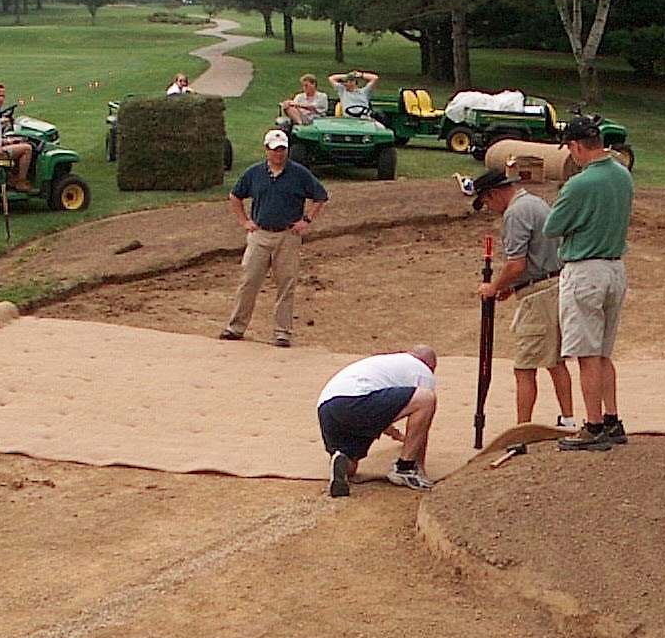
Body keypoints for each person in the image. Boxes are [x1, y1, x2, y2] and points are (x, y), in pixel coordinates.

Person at [542, 116, 634, 451]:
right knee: (603, 352)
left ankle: (593, 425)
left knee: (586, 354)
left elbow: (552, 226)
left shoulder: (579, 184)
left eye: (570, 147)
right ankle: (611, 418)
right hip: (614, 268)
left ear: (578, 146)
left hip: (585, 270)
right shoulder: (622, 174)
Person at [468, 168, 577, 430]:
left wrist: (494, 287)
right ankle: (568, 418)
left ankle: (522, 428)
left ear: (493, 194)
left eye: (487, 202)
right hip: (553, 284)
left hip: (539, 294)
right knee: (554, 360)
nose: (491, 208)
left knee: (524, 367)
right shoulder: (535, 203)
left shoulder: (515, 213)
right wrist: (511, 287)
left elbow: (516, 264)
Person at [220, 128, 329, 348]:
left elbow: (320, 196)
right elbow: (235, 196)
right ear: (266, 150)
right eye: (274, 150)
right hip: (260, 234)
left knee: (286, 285)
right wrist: (244, 221)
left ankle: (282, 333)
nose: (278, 154)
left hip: (287, 236)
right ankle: (236, 327)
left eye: (282, 150)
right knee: (248, 282)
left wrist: (306, 221)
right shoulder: (254, 173)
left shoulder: (299, 173)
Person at [317, 345, 439, 496]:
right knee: (427, 399)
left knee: (351, 466)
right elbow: (424, 417)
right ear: (431, 365)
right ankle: (405, 468)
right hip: (358, 400)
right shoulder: (424, 371)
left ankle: (341, 460)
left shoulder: (388, 363)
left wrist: (399, 435)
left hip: (327, 406)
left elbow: (380, 415)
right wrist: (418, 462)